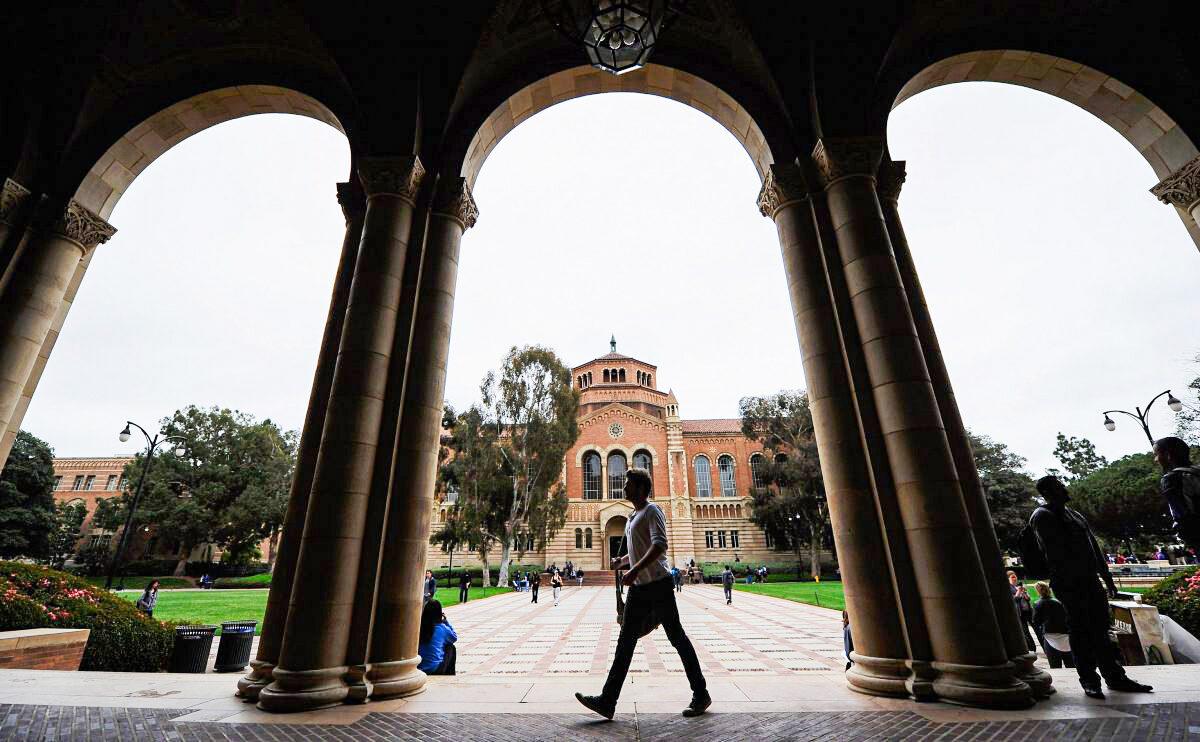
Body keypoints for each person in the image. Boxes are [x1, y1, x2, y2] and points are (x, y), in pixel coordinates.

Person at [576, 468, 709, 720]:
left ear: (639, 488)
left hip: (658, 585)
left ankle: (701, 693)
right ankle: (608, 700)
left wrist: (635, 569)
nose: (623, 488)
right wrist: (623, 561)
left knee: (677, 638)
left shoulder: (652, 511)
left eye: (628, 485)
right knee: (625, 643)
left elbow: (660, 545)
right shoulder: (632, 516)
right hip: (639, 590)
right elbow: (640, 549)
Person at [1030, 475, 1152, 699]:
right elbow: (1053, 553)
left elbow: (1092, 547)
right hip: (1069, 582)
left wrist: (1106, 577)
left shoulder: (1074, 514)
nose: (1064, 488)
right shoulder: (1043, 515)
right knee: (1080, 630)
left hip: (1089, 580)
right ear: (1048, 492)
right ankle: (1089, 679)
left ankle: (1115, 676)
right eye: (1058, 486)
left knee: (1100, 630)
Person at [1154, 436, 1200, 551]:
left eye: (1157, 454)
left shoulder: (1171, 479)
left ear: (1168, 455)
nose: (1156, 459)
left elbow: (1182, 515)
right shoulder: (1197, 471)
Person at [1031, 581, 1074, 669]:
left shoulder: (1038, 604)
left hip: (1049, 635)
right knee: (1070, 663)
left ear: (1038, 591)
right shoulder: (1058, 602)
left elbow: (1036, 621)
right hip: (1064, 633)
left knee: (1054, 664)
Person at [416, 599, 457, 676]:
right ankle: (449, 675)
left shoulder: (419, 627)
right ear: (439, 613)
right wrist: (446, 622)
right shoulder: (441, 628)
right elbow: (454, 638)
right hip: (435, 669)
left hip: (419, 667)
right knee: (451, 647)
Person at [1007, 570, 1036, 651]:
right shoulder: (1009, 588)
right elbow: (1015, 599)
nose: (1015, 578)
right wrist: (1019, 591)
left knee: (1037, 629)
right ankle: (1032, 648)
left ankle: (1044, 647)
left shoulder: (1019, 586)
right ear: (1008, 579)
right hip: (1020, 613)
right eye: (1012, 577)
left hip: (1029, 611)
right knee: (1026, 632)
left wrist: (1024, 592)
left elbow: (1028, 599)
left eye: (1015, 576)